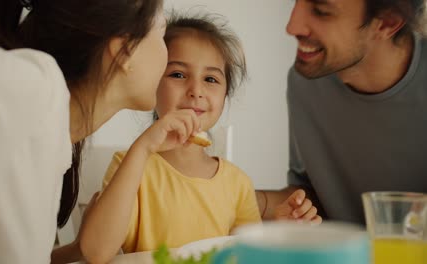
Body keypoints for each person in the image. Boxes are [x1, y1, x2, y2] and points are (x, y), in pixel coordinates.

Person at [79, 12, 322, 264]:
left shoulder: (237, 184)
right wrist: (141, 149)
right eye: (178, 74)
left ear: (225, 96)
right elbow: (96, 253)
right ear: (153, 83)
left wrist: (276, 233)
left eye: (210, 79)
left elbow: (245, 257)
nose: (196, 91)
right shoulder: (131, 166)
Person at [0, 0, 167, 263]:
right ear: (124, 51)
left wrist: (75, 250)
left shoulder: (55, 141)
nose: (167, 55)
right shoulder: (34, 91)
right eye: (162, 33)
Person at [257, 0, 427, 224]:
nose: (292, 27)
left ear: (387, 23)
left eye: (321, 11)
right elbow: (313, 196)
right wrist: (229, 196)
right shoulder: (306, 82)